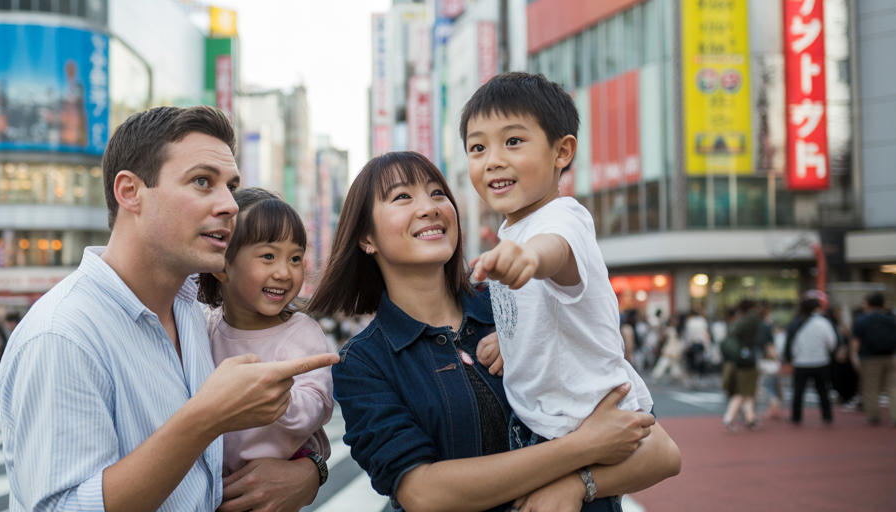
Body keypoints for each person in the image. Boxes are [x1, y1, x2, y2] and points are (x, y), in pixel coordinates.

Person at [0, 105, 337, 511]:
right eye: (202, 182)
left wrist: (311, 470)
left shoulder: (193, 312)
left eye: (230, 186)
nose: (229, 204)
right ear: (130, 192)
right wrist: (205, 418)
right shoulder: (63, 334)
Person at [313, 151, 680, 511]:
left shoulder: (521, 300)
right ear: (366, 238)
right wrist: (582, 448)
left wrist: (577, 484)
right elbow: (423, 493)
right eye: (402, 197)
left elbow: (661, 451)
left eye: (437, 192)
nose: (429, 207)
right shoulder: (362, 362)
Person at [459, 72, 654, 447]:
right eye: (477, 148)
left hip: (589, 422)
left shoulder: (563, 217)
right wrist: (513, 339)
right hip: (551, 422)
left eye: (513, 141)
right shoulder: (511, 231)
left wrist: (530, 257)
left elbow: (555, 251)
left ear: (562, 152)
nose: (493, 161)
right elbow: (548, 309)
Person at [195, 187, 334, 475]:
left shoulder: (301, 333)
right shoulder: (204, 327)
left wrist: (279, 397)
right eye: (268, 256)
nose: (284, 272)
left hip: (271, 490)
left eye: (295, 259)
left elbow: (317, 406)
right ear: (222, 265)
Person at [851, 292, 896, 427]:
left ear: (868, 304)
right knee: (893, 387)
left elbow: (855, 341)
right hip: (891, 356)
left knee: (871, 388)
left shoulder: (862, 320)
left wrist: (854, 357)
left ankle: (874, 416)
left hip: (870, 358)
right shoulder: (894, 319)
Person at [787, 298, 837, 426]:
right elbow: (832, 342)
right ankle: (827, 415)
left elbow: (792, 344)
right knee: (823, 390)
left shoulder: (797, 322)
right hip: (821, 361)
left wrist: (793, 357)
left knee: (798, 391)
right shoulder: (823, 322)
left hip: (801, 362)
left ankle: (796, 416)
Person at [721, 299, 769, 431]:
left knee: (747, 391)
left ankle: (750, 417)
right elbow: (760, 339)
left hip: (739, 359)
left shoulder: (737, 321)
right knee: (742, 392)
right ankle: (729, 419)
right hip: (747, 360)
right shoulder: (751, 319)